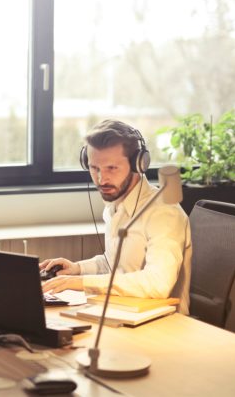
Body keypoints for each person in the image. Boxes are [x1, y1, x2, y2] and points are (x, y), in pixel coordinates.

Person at [40, 119, 192, 314]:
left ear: (139, 164)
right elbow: (115, 264)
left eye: (111, 168)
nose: (101, 180)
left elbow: (158, 283)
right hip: (121, 312)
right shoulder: (115, 205)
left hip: (163, 325)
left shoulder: (164, 213)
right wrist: (77, 269)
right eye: (95, 169)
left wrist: (81, 282)